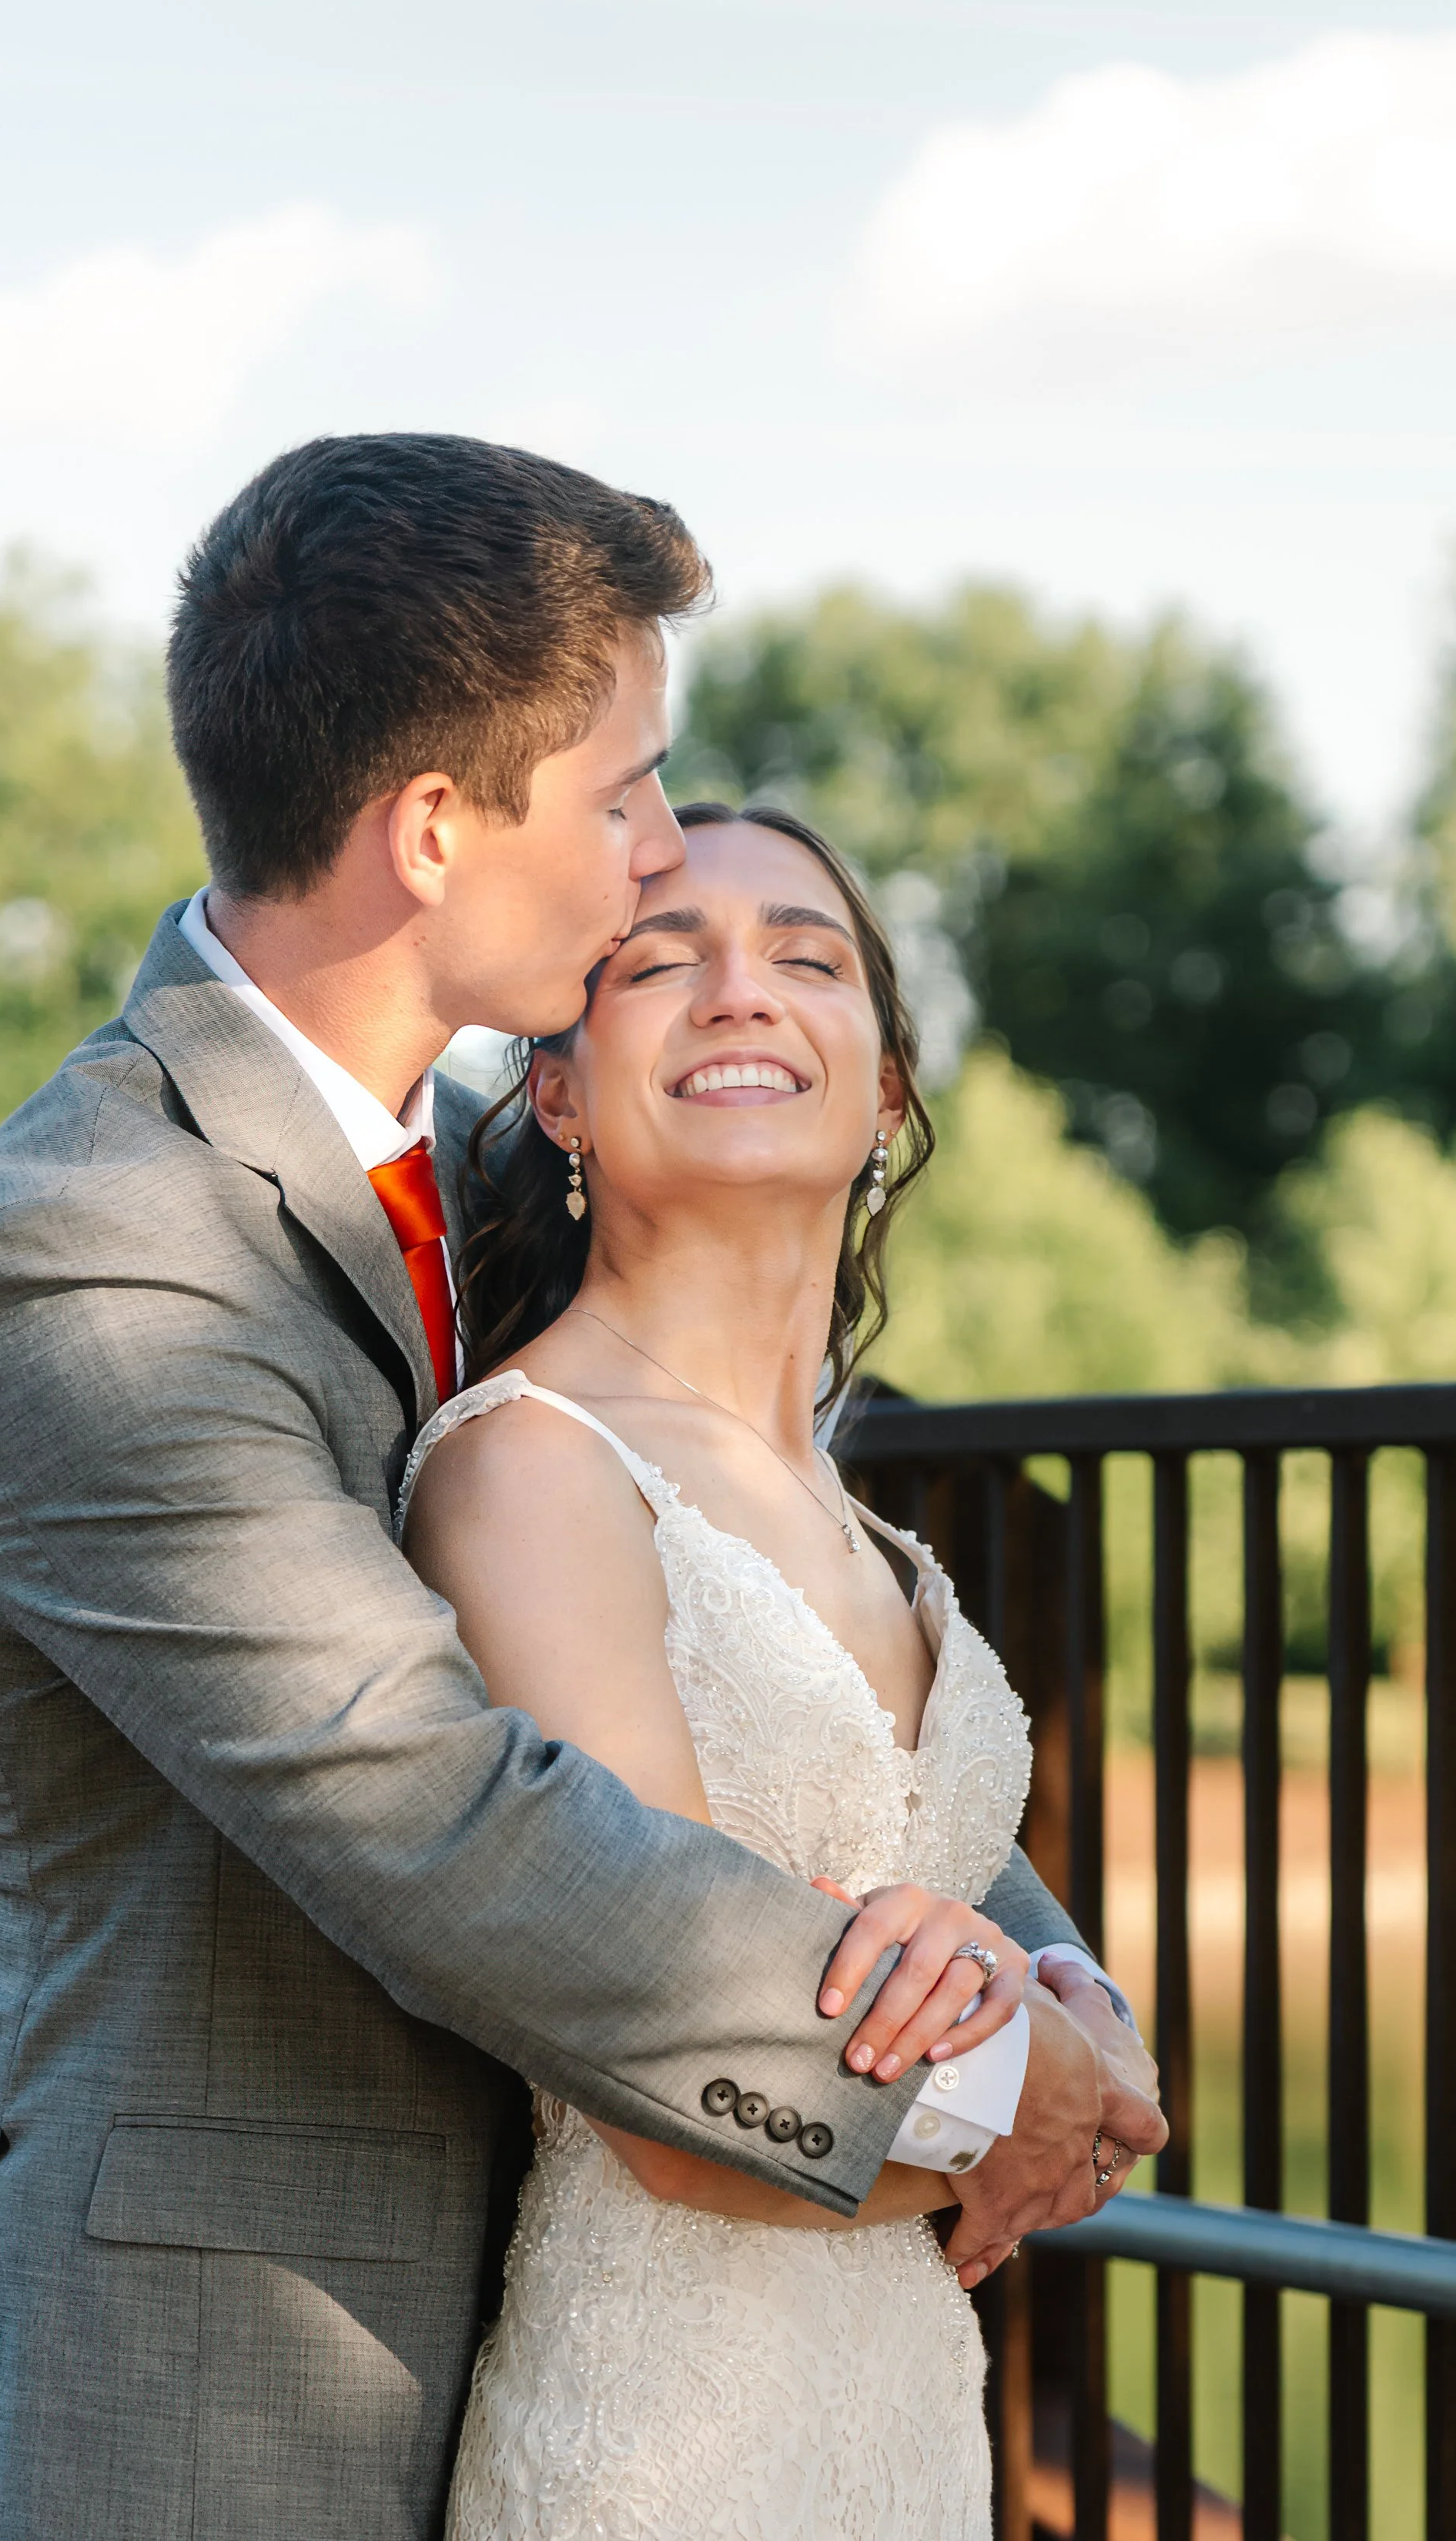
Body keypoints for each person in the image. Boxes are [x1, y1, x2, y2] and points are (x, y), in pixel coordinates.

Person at [0, 435, 1163, 2541]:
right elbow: (446, 1808)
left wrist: (1059, 1986)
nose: (660, 843)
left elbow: (788, 1726)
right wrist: (976, 2088)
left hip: (603, 2333)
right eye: (626, 788)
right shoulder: (99, 1245)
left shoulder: (465, 1200)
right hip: (249, 2405)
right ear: (429, 832)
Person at [400, 798, 1153, 2537]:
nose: (741, 993)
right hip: (656, 2455)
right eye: (660, 963)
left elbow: (931, 1901)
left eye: (805, 960)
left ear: (884, 1086)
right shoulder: (531, 1467)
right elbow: (674, 2091)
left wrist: (1071, 2001)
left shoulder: (850, 1518)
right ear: (562, 1093)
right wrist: (1025, 2109)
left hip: (896, 2430)